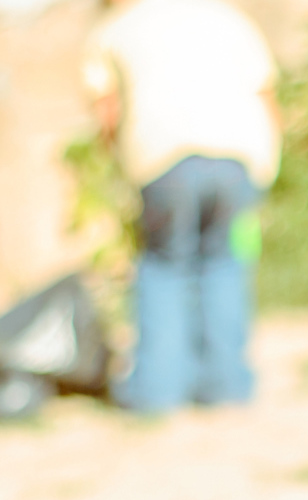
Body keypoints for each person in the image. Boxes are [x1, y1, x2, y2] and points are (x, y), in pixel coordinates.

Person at [83, 0, 281, 412]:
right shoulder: (225, 16)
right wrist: (265, 168)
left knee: (163, 266)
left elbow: (107, 111)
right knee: (223, 262)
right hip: (238, 156)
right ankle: (227, 387)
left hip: (163, 158)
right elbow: (266, 96)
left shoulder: (115, 29)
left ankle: (157, 393)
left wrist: (121, 168)